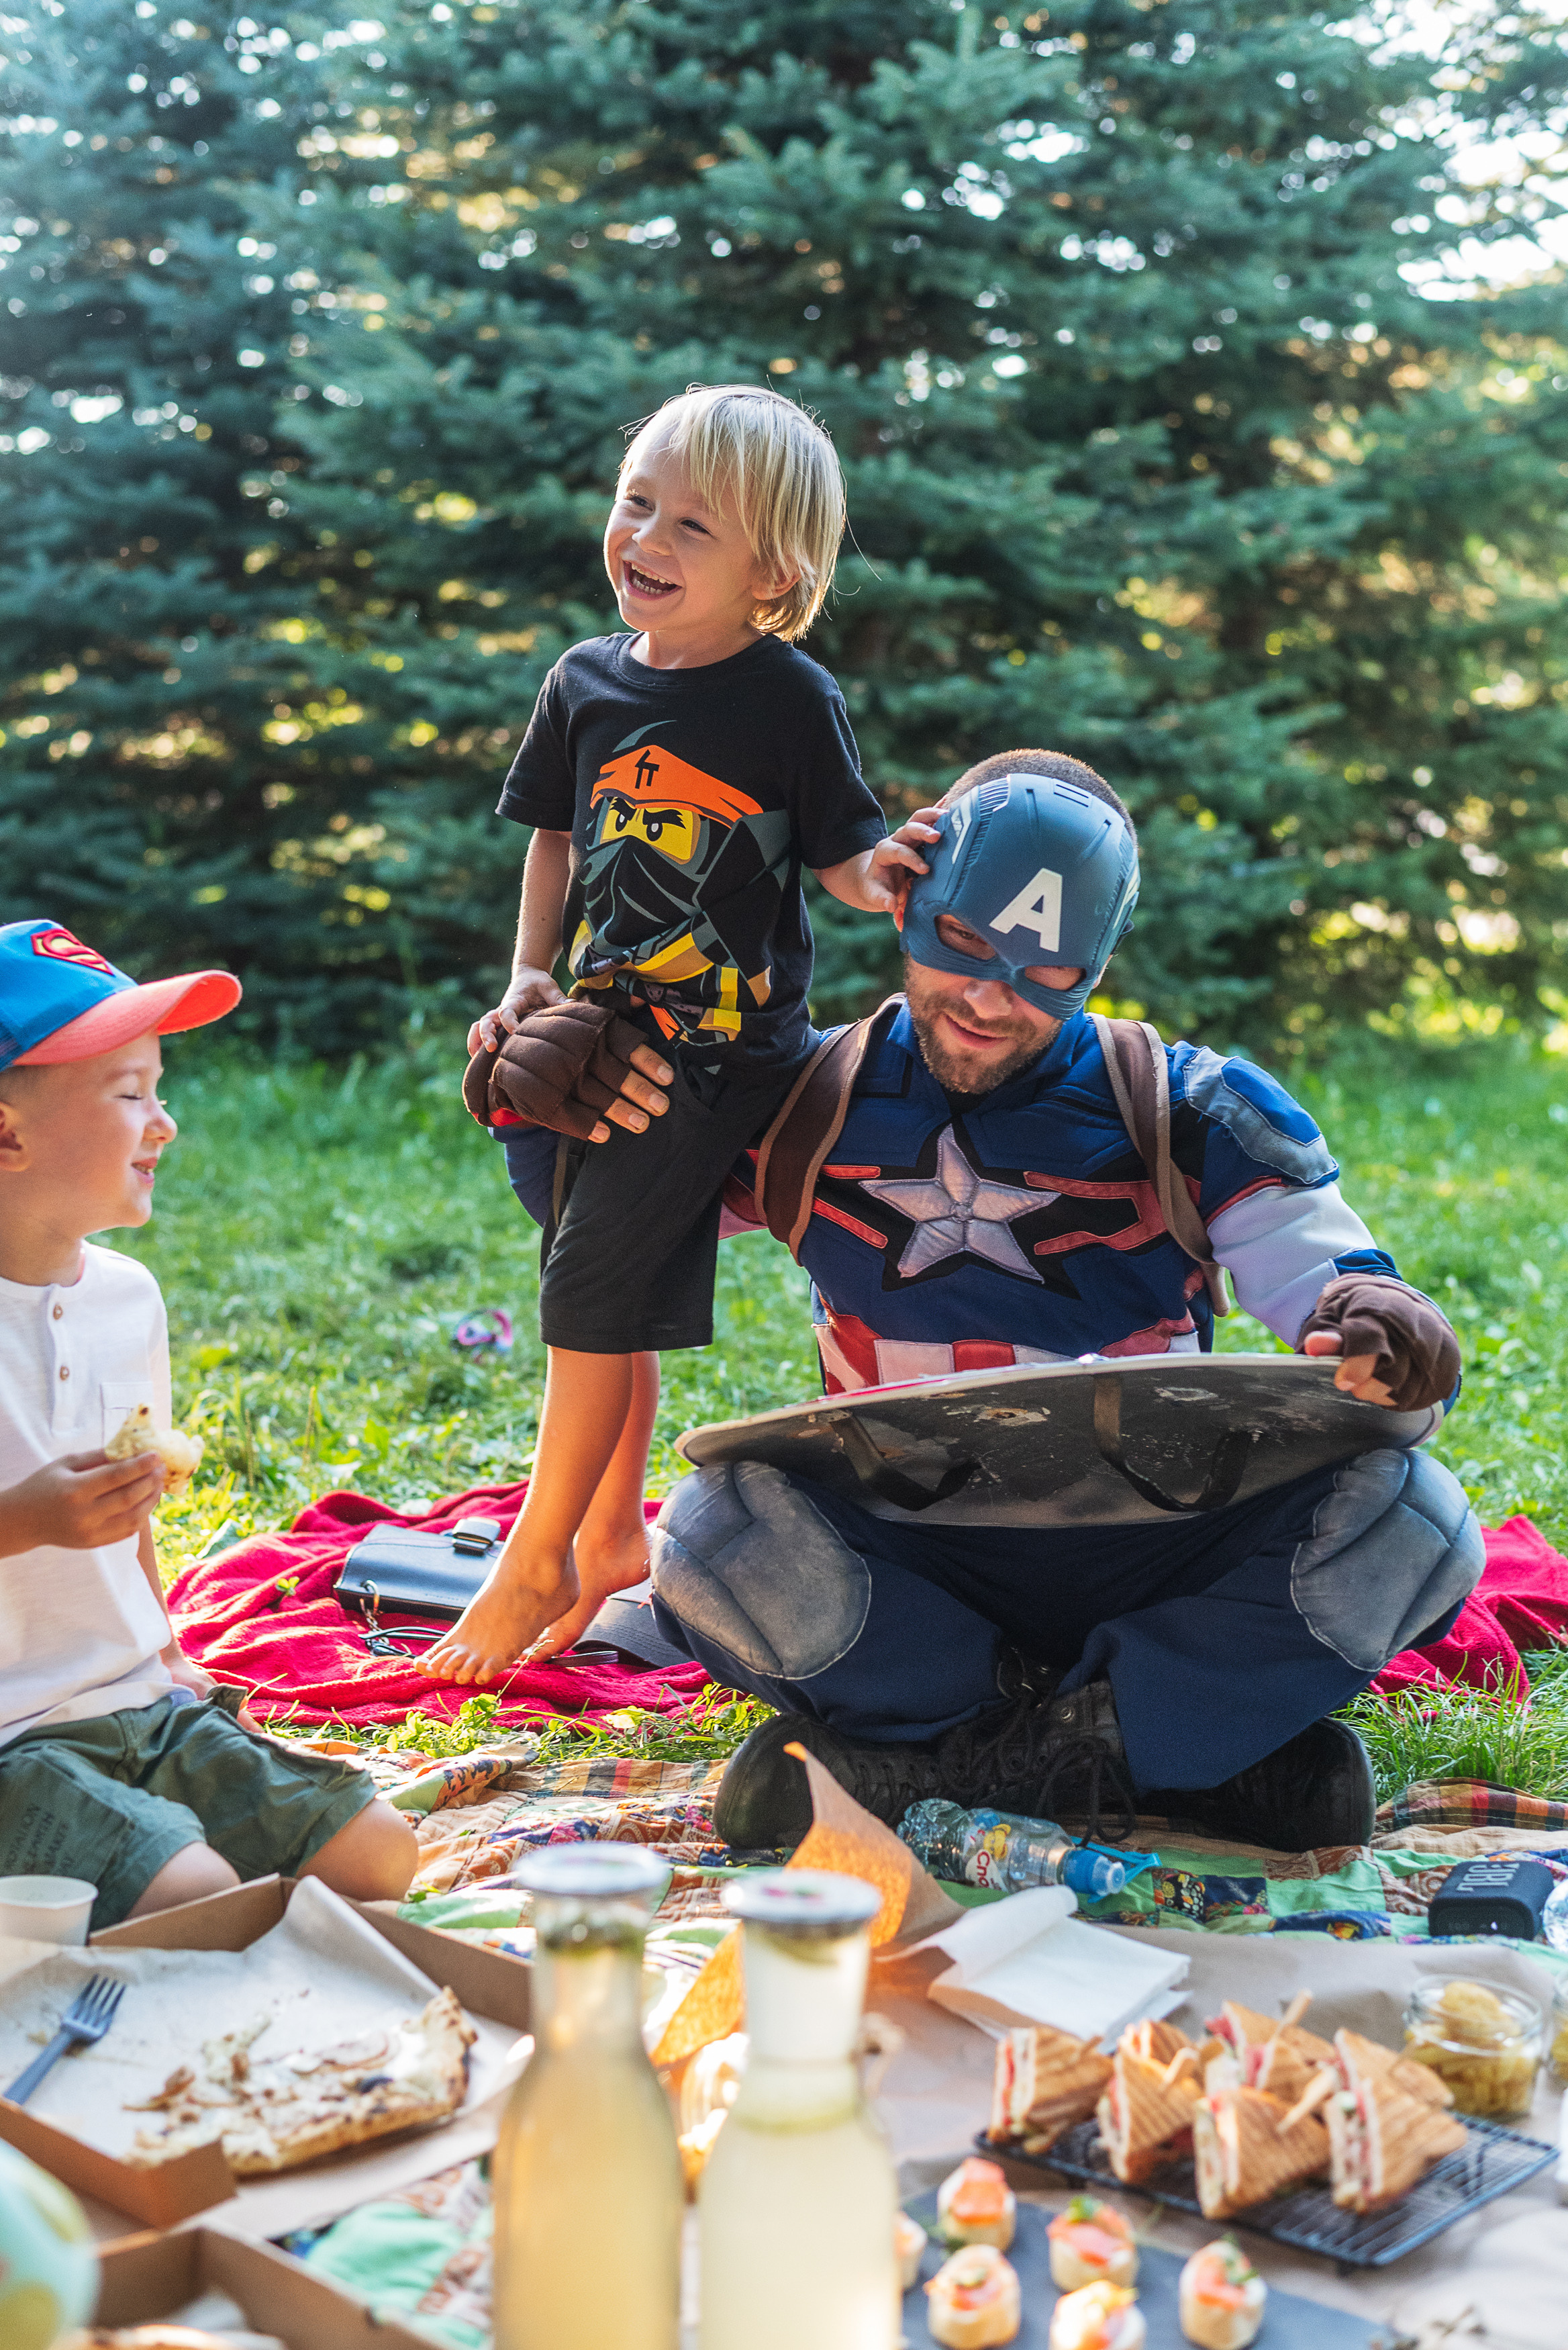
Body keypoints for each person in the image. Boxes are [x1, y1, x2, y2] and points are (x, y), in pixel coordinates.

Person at [507, 749, 1483, 1854]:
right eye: (963, 944)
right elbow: (599, 1221)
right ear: (905, 898)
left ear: (1098, 965)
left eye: (1040, 971)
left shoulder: (1190, 1107)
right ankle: (1177, 1753)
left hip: (1164, 1546)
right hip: (913, 1556)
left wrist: (1381, 1317)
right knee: (708, 1532)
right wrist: (541, 1090)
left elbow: (1325, 1270)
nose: (985, 996)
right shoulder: (801, 1103)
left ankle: (937, 1762)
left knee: (1417, 1519)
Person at [423, 384, 920, 1685]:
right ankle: (605, 1534)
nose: (644, 535)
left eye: (691, 524)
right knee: (596, 1287)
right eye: (636, 501)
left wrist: (895, 874)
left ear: (773, 572)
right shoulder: (583, 681)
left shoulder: (787, 698)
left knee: (587, 1293)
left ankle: (532, 1555)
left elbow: (847, 856)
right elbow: (551, 836)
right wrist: (528, 978)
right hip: (582, 1035)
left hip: (714, 1053)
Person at [0, 919, 417, 1928]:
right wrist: (29, 1519)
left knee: (380, 1854)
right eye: (130, 1092)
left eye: (161, 1087)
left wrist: (170, 1652)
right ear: (7, 1132)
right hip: (11, 1739)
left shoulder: (128, 1297)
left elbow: (132, 1511)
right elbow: (60, 1516)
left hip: (137, 1704)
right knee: (196, 1900)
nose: (166, 1123)